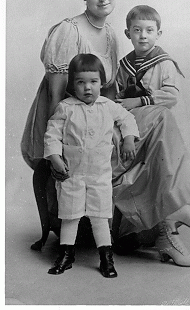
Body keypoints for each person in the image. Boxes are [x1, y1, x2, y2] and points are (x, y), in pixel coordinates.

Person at [20, 0, 124, 250]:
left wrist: (114, 126)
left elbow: (110, 91)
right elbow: (55, 95)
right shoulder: (69, 31)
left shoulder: (112, 34)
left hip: (95, 116)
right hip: (65, 120)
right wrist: (60, 146)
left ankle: (136, 227)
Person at [111, 5, 190, 266]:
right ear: (128, 33)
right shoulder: (124, 66)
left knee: (161, 134)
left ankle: (167, 231)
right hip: (135, 129)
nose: (143, 36)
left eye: (149, 31)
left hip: (155, 129)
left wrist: (140, 101)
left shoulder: (164, 63)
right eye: (137, 30)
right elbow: (119, 97)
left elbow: (170, 96)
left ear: (159, 33)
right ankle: (167, 220)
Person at [44, 53, 139, 277]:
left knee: (99, 215)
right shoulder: (66, 107)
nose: (88, 88)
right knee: (70, 214)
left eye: (93, 82)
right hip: (72, 172)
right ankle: (67, 254)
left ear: (102, 82)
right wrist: (55, 158)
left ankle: (106, 257)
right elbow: (52, 134)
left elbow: (128, 119)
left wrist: (127, 138)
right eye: (81, 82)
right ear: (72, 84)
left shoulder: (108, 106)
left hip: (99, 173)